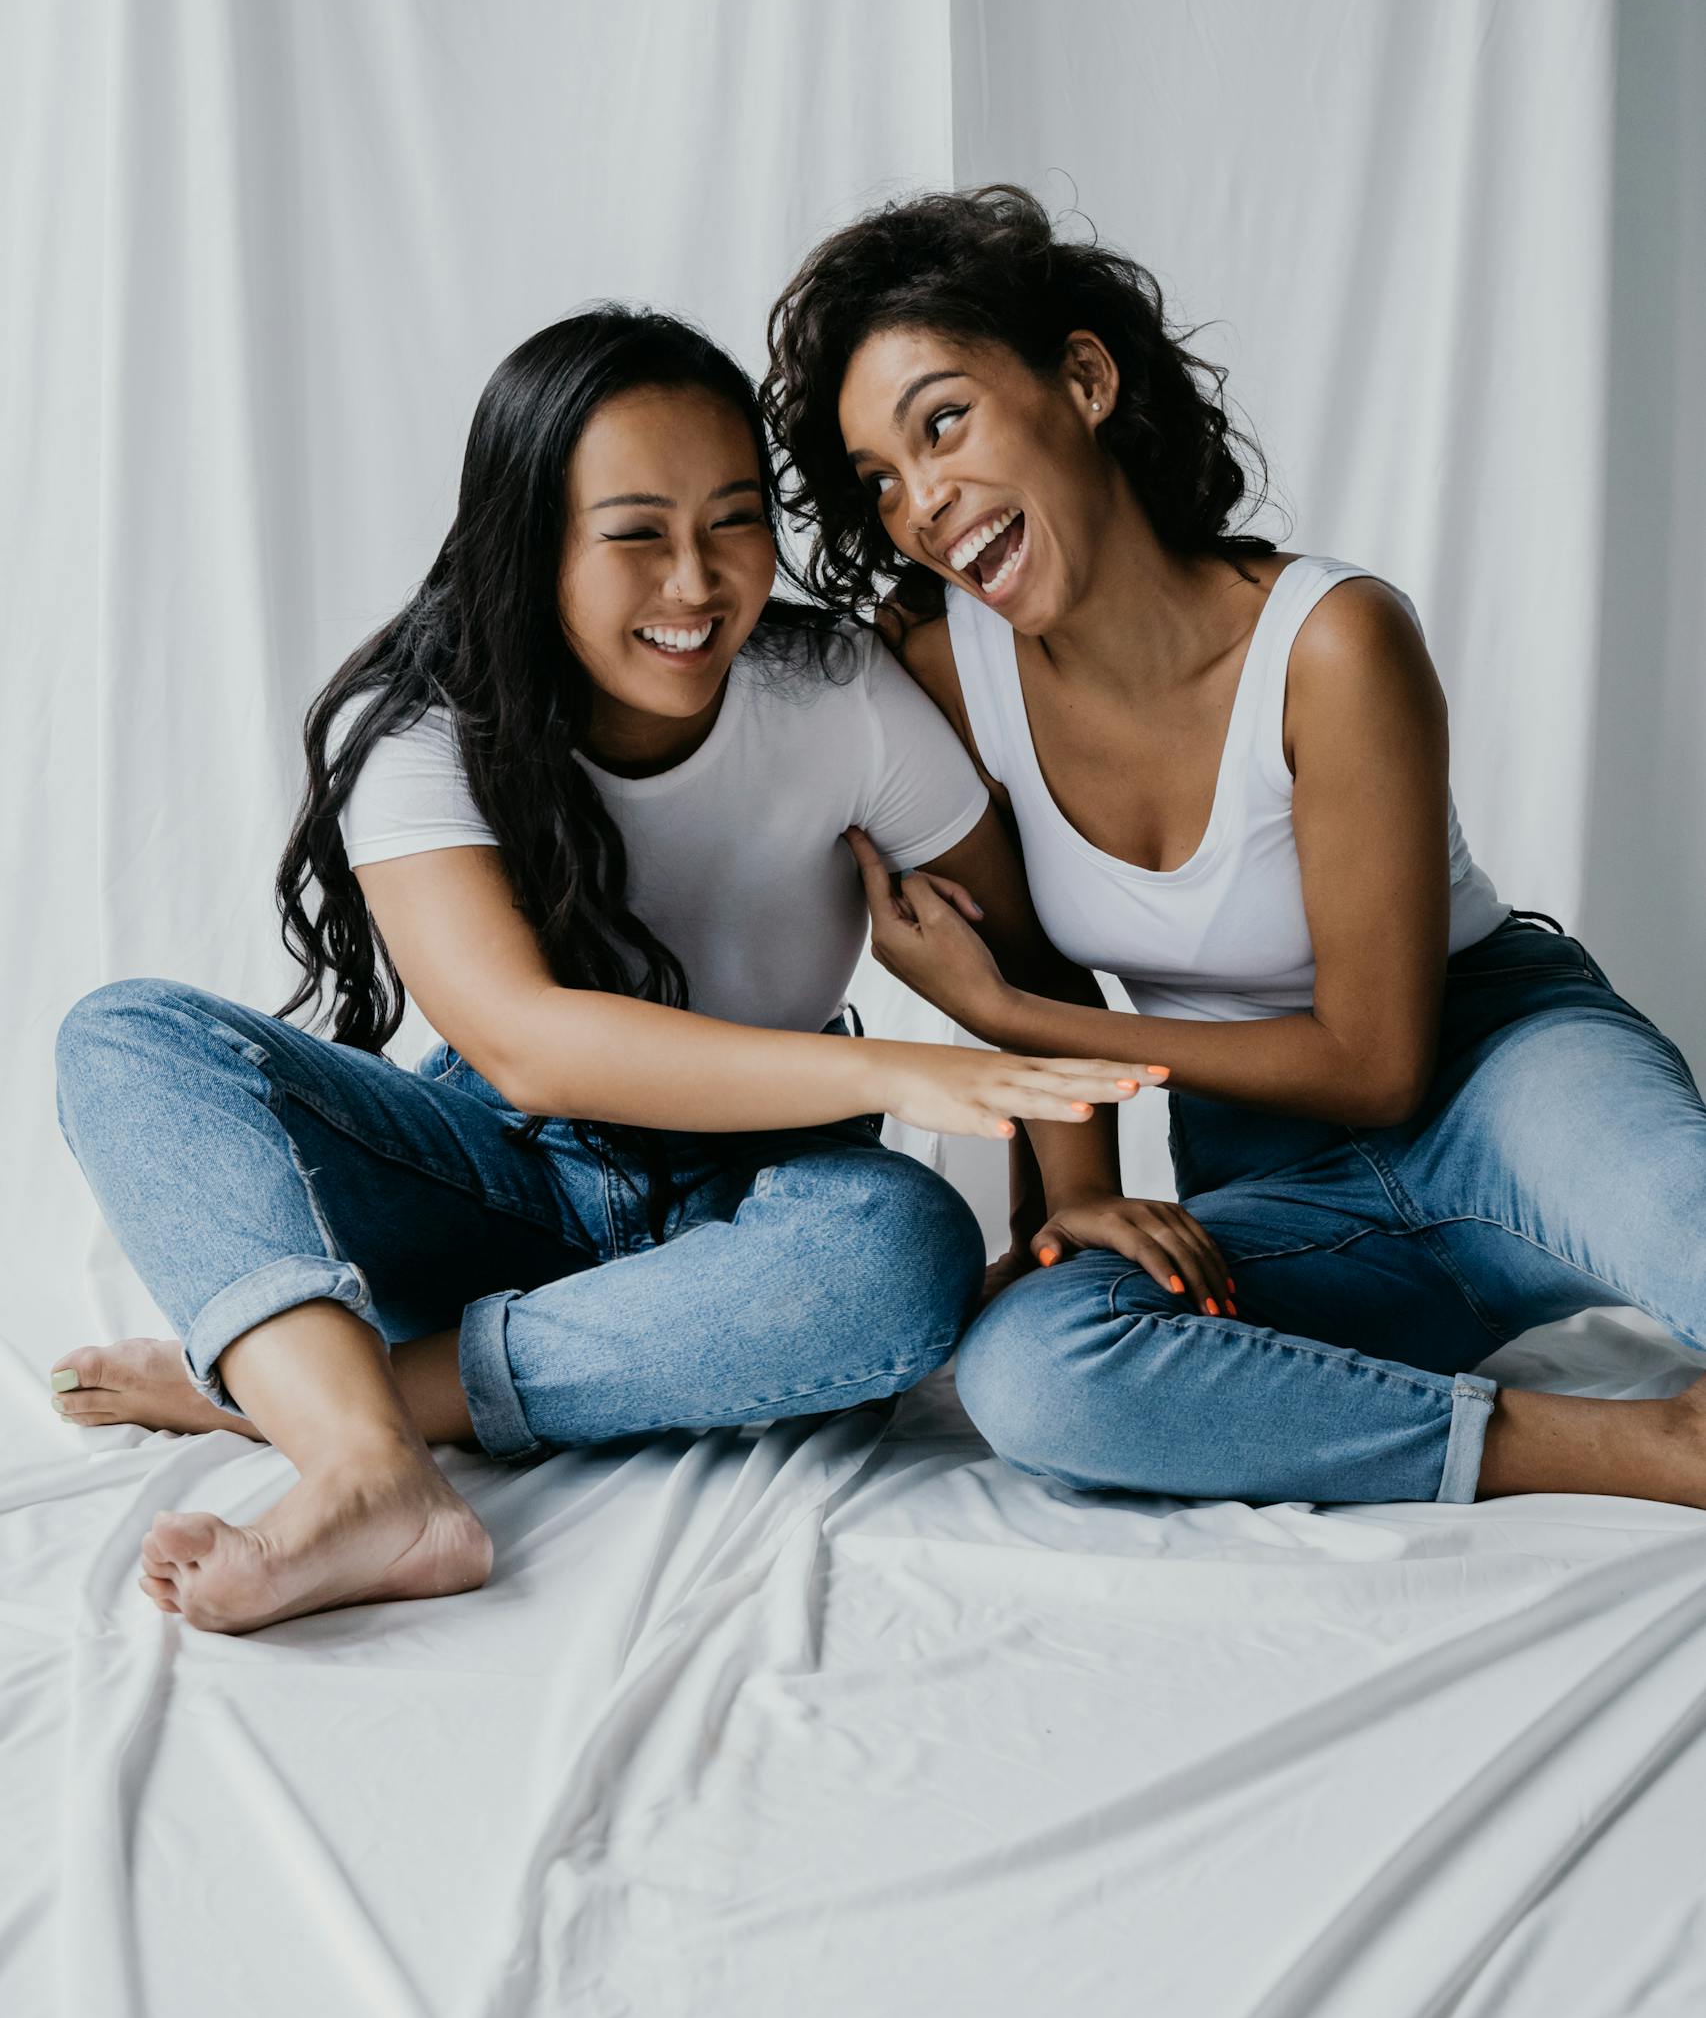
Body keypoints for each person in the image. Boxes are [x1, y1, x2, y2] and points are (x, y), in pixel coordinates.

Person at [49, 305, 1144, 1635]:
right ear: (532, 543)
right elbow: (526, 1043)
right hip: (499, 1169)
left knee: (902, 1251)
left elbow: (1031, 961)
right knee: (127, 1036)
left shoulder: (836, 692)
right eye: (634, 535)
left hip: (770, 1194)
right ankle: (364, 1473)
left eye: (732, 521)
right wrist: (889, 1066)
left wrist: (1071, 1208)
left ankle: (313, 1390)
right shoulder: (424, 731)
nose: (695, 583)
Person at [763, 184, 1706, 1512]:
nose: (921, 504)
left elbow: (1373, 1066)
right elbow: (1036, 970)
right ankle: (1638, 1452)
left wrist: (998, 1012)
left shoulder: (1330, 643)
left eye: (944, 423)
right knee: (1030, 1370)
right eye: (881, 479)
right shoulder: (945, 674)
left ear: (1081, 379)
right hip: (1275, 1184)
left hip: (1510, 1085)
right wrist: (1069, 1202)